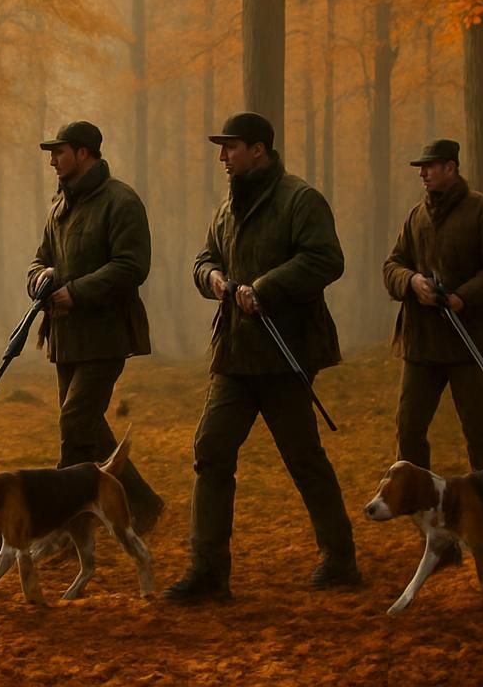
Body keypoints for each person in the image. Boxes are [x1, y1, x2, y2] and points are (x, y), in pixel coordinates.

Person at [166, 112, 360, 603]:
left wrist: (266, 288)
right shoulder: (226, 209)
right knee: (210, 451)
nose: (222, 157)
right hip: (234, 352)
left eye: (231, 147)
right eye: (222, 148)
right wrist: (210, 278)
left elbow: (326, 259)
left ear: (259, 150)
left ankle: (339, 559)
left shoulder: (300, 199)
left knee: (302, 457)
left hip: (286, 351)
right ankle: (208, 572)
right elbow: (203, 257)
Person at [27, 121, 165, 535]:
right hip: (66, 336)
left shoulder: (121, 201)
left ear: (84, 153)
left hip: (107, 333)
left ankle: (63, 525)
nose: (52, 159)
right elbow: (40, 258)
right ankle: (144, 502)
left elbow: (131, 266)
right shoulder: (59, 207)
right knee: (87, 426)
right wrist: (38, 279)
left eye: (60, 151)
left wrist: (77, 293)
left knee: (74, 424)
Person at [383, 138, 483, 477]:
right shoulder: (416, 216)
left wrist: (463, 297)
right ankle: (420, 505)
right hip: (422, 341)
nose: (423, 174)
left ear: (450, 169)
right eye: (421, 168)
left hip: (469, 339)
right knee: (409, 428)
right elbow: (392, 265)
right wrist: (412, 282)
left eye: (429, 167)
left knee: (478, 431)